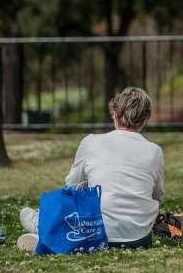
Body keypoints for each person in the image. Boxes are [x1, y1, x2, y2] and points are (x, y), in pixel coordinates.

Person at [17, 87, 165, 251]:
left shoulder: (91, 142)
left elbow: (71, 187)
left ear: (115, 115)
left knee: (69, 207)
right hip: (139, 238)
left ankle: (40, 224)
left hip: (95, 232)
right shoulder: (154, 151)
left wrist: (87, 187)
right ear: (146, 119)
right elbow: (157, 196)